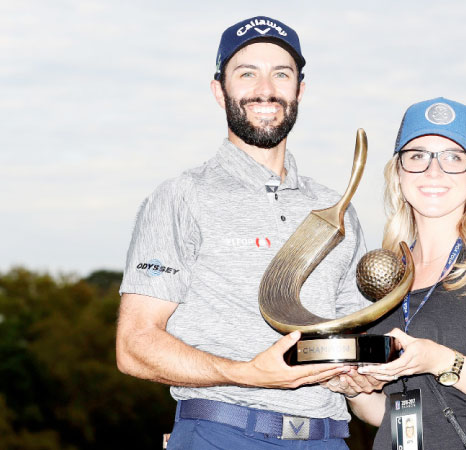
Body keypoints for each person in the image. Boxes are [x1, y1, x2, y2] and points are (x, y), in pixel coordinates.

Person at [115, 16, 371, 449]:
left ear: (299, 91)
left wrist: (354, 374)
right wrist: (245, 373)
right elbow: (135, 346)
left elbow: (350, 338)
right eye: (247, 72)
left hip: (329, 438)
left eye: (281, 74)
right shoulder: (181, 197)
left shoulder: (338, 208)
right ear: (220, 91)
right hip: (222, 433)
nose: (265, 88)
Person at [324, 98, 466, 449]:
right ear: (398, 173)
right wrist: (353, 390)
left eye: (452, 157)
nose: (434, 172)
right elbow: (392, 413)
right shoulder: (388, 274)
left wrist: (440, 359)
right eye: (417, 156)